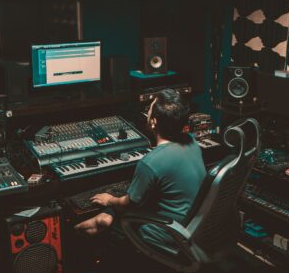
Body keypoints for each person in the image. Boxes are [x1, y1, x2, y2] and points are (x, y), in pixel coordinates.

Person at [74, 88, 207, 247]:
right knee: (127, 201)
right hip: (196, 225)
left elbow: (128, 204)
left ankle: (81, 235)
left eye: (149, 109)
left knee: (119, 206)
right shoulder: (191, 142)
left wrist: (109, 199)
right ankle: (105, 218)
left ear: (153, 122)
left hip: (171, 232)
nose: (147, 112)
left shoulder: (151, 162)